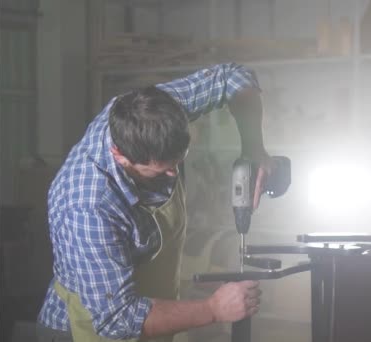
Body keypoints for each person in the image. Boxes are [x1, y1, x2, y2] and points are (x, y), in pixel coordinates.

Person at [36, 63, 272, 341]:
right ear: (120, 155)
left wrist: (254, 148)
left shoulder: (152, 112)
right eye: (162, 171)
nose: (173, 175)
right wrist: (214, 308)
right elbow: (116, 319)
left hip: (148, 318)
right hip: (88, 329)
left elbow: (232, 77)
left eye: (178, 163)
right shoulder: (88, 207)